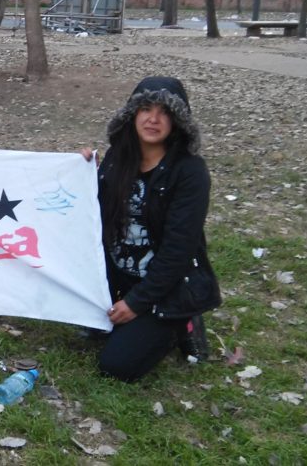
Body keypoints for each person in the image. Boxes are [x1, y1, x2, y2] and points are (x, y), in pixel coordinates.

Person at [89, 76, 221, 383]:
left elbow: (179, 250)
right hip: (119, 273)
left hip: (167, 285)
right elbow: (90, 215)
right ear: (132, 115)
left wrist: (137, 303)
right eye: (145, 109)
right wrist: (80, 171)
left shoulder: (189, 172)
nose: (153, 119)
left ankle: (183, 321)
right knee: (91, 329)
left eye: (165, 112)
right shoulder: (116, 161)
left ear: (178, 121)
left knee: (117, 366)